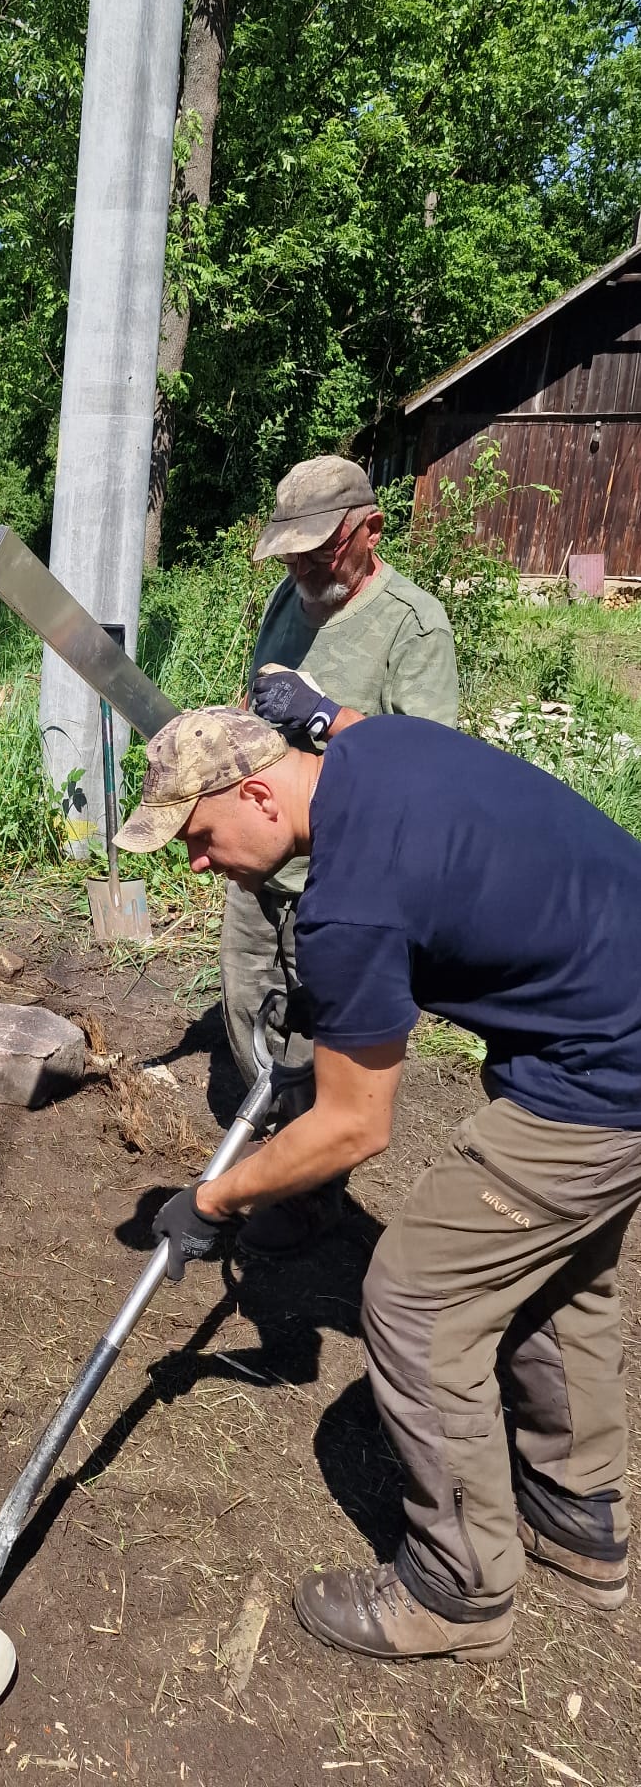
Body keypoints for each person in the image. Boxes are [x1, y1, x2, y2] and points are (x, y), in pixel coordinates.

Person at [118, 700, 641, 1662]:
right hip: (605, 1001)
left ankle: (459, 1587)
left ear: (259, 796)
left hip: (602, 1075)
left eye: (198, 836)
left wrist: (212, 1200)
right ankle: (576, 1513)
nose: (196, 863)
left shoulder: (348, 906)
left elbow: (354, 1127)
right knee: (557, 1273)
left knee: (415, 1299)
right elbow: (347, 720)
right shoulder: (369, 744)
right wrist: (311, 707)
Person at [225, 454, 458, 1255]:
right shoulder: (286, 601)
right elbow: (253, 700)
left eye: (317, 551)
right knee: (247, 1005)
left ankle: (310, 1191)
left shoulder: (413, 624)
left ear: (370, 530)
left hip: (343, 873)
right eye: (289, 553)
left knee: (324, 1033)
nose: (301, 568)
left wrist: (325, 715)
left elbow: (432, 769)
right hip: (262, 855)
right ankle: (276, 1140)